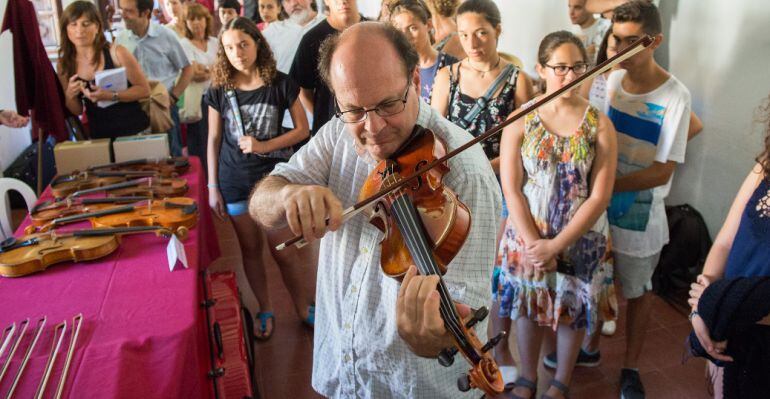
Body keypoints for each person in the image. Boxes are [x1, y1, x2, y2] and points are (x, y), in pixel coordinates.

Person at [249, 22, 501, 397]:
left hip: (409, 387)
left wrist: (429, 339)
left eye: (387, 104)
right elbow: (261, 200)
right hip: (340, 373)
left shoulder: (464, 173)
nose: (373, 127)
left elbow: (460, 316)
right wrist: (287, 197)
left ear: (415, 80)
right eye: (353, 110)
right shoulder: (338, 133)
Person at [496, 31, 617, 399]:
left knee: (572, 311)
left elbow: (599, 196)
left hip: (580, 238)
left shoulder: (600, 124)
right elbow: (512, 188)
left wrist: (557, 246)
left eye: (578, 66)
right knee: (527, 308)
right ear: (541, 69)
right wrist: (536, 244)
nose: (570, 75)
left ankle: (562, 382)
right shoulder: (520, 119)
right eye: (560, 67)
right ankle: (528, 378)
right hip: (527, 235)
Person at [603, 2, 691, 397]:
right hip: (597, 210)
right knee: (595, 282)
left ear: (654, 41)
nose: (618, 49)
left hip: (638, 216)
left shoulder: (675, 95)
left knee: (638, 292)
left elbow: (662, 171)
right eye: (615, 39)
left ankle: (630, 367)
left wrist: (602, 188)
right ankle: (587, 349)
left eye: (630, 41)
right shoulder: (608, 81)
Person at [206, 17, 310, 340]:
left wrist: (264, 145)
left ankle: (304, 308)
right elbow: (212, 139)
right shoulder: (219, 90)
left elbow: (302, 130)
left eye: (243, 44)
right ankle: (265, 307)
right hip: (233, 180)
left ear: (257, 44)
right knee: (250, 250)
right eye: (229, 47)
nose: (237, 52)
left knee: (282, 250)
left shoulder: (280, 83)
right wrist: (212, 186)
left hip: (273, 181)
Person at [687, 95, 770, 399]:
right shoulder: (765, 166)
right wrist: (701, 312)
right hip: (732, 330)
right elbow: (724, 242)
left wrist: (719, 306)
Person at [431, 0, 533, 172]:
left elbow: (526, 143)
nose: (472, 44)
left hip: (501, 178)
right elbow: (434, 136)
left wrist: (482, 170)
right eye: (464, 35)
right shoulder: (447, 76)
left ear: (497, 30)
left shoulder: (518, 80)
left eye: (480, 33)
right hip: (456, 176)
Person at [58, 1, 150, 139]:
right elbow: (77, 110)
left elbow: (144, 90)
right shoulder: (64, 64)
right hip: (100, 137)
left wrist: (111, 95)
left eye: (86, 23)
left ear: (97, 27)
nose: (79, 30)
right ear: (66, 29)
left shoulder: (117, 53)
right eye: (73, 24)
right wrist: (70, 95)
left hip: (134, 131)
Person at [117, 0, 193, 156]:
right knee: (141, 158)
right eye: (122, 10)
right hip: (133, 107)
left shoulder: (166, 35)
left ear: (145, 13)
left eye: (128, 11)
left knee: (172, 156)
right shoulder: (121, 39)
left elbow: (188, 68)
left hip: (162, 105)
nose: (123, 16)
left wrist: (173, 97)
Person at [289, 0, 364, 135]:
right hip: (329, 131)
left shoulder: (377, 32)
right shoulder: (311, 39)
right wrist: (324, 117)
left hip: (370, 125)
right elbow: (303, 89)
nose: (343, 2)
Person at [388, 0, 457, 105]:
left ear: (429, 25)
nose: (406, 37)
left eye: (412, 28)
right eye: (400, 31)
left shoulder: (451, 65)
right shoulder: (397, 70)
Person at [180, 3, 218, 172]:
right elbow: (195, 74)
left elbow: (224, 69)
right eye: (191, 19)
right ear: (186, 22)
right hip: (199, 100)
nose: (196, 23)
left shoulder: (215, 41)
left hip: (217, 96)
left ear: (206, 20)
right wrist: (213, 69)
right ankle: (204, 177)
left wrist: (207, 69)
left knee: (220, 139)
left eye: (199, 18)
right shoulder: (184, 43)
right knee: (201, 142)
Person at [568, 0, 611, 65]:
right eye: (569, 7)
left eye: (577, 7)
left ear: (590, 7)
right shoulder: (573, 32)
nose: (571, 12)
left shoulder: (606, 26)